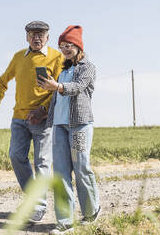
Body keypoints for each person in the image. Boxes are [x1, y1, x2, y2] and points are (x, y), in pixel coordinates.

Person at [0, 21, 63, 222]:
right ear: (26, 37)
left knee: (42, 163)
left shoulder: (57, 57)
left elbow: (58, 90)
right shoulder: (19, 57)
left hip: (43, 119)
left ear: (48, 37)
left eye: (40, 34)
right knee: (15, 156)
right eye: (32, 34)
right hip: (19, 118)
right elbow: (3, 81)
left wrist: (43, 109)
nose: (36, 38)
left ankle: (38, 206)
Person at [38, 25, 100, 234]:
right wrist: (45, 111)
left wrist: (57, 87)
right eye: (62, 46)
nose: (65, 49)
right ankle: (65, 221)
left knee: (81, 167)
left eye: (68, 45)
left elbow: (78, 87)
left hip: (80, 125)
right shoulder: (62, 70)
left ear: (77, 46)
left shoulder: (87, 68)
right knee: (61, 173)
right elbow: (57, 98)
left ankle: (91, 213)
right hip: (59, 126)